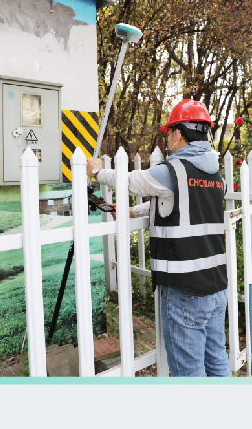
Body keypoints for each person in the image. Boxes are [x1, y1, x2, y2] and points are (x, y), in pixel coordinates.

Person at [86, 98, 230, 377]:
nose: (167, 140)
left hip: (185, 290)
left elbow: (130, 182)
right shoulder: (216, 176)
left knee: (190, 372)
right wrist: (132, 211)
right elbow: (180, 203)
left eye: (169, 133)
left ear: (178, 133)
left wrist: (96, 171)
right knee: (217, 362)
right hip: (216, 287)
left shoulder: (173, 170)